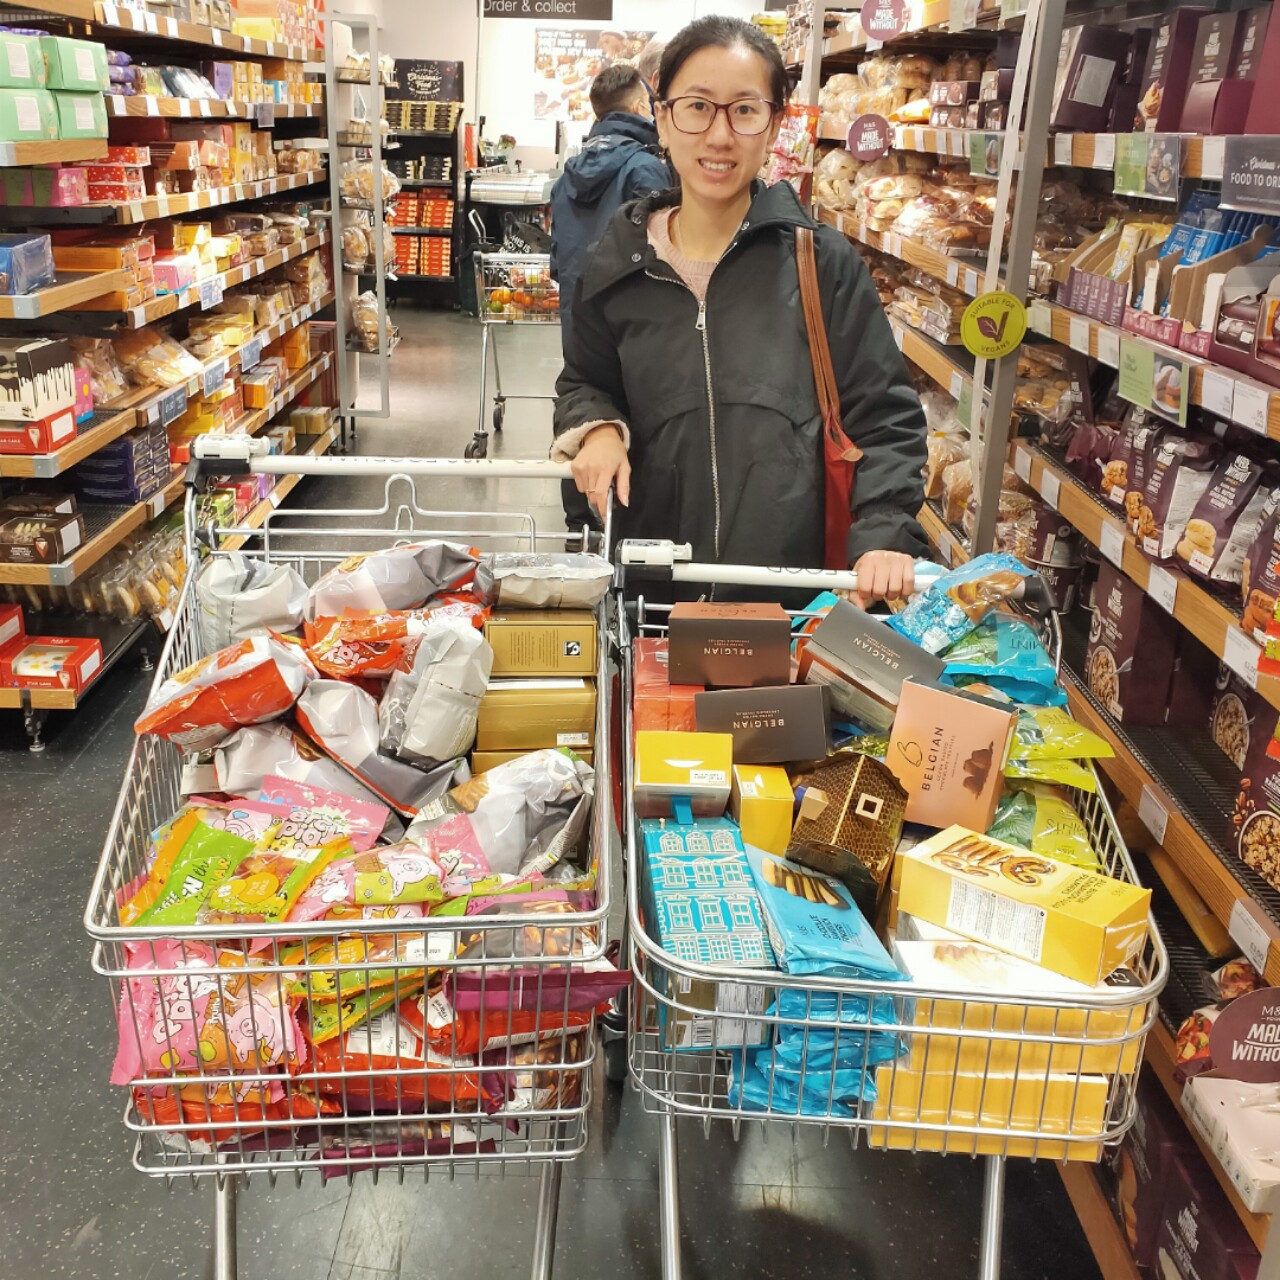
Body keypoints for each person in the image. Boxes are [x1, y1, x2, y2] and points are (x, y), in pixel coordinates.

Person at [552, 16, 927, 605]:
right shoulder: (618, 263)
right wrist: (598, 428)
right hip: (655, 598)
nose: (720, 136)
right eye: (697, 107)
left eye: (745, 110)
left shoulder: (821, 264)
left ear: (774, 124)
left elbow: (883, 415)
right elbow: (584, 380)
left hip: (791, 601)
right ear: (662, 117)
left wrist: (883, 530)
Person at [550, 64, 671, 349]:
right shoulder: (646, 169)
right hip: (633, 329)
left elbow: (557, 264)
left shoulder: (567, 177)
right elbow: (663, 259)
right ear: (640, 106)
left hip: (577, 328)